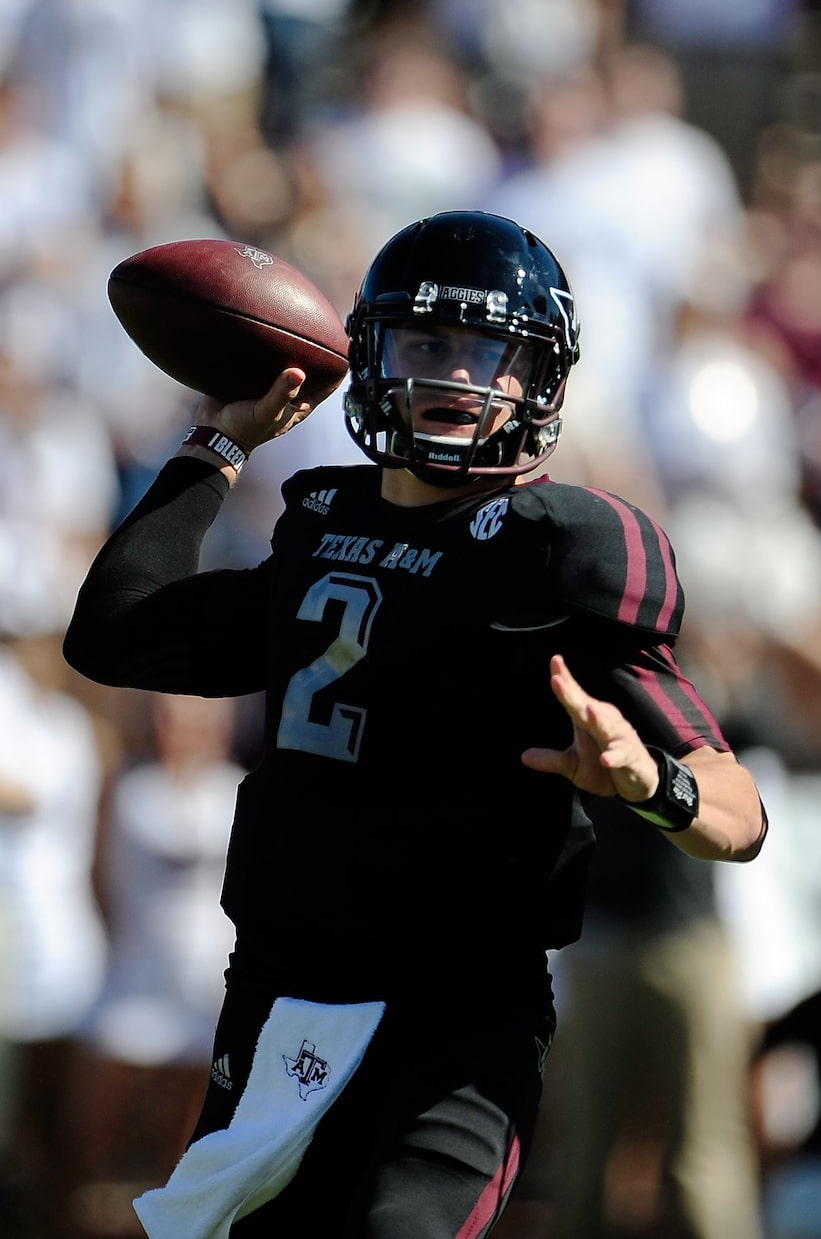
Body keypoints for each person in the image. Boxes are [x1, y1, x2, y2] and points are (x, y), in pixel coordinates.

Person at [63, 210, 767, 1239]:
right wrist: (215, 443)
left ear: (541, 379)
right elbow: (116, 634)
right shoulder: (320, 527)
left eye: (486, 349)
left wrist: (650, 784)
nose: (453, 372)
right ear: (370, 354)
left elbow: (737, 811)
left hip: (456, 1016)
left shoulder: (557, 553)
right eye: (426, 342)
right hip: (281, 992)